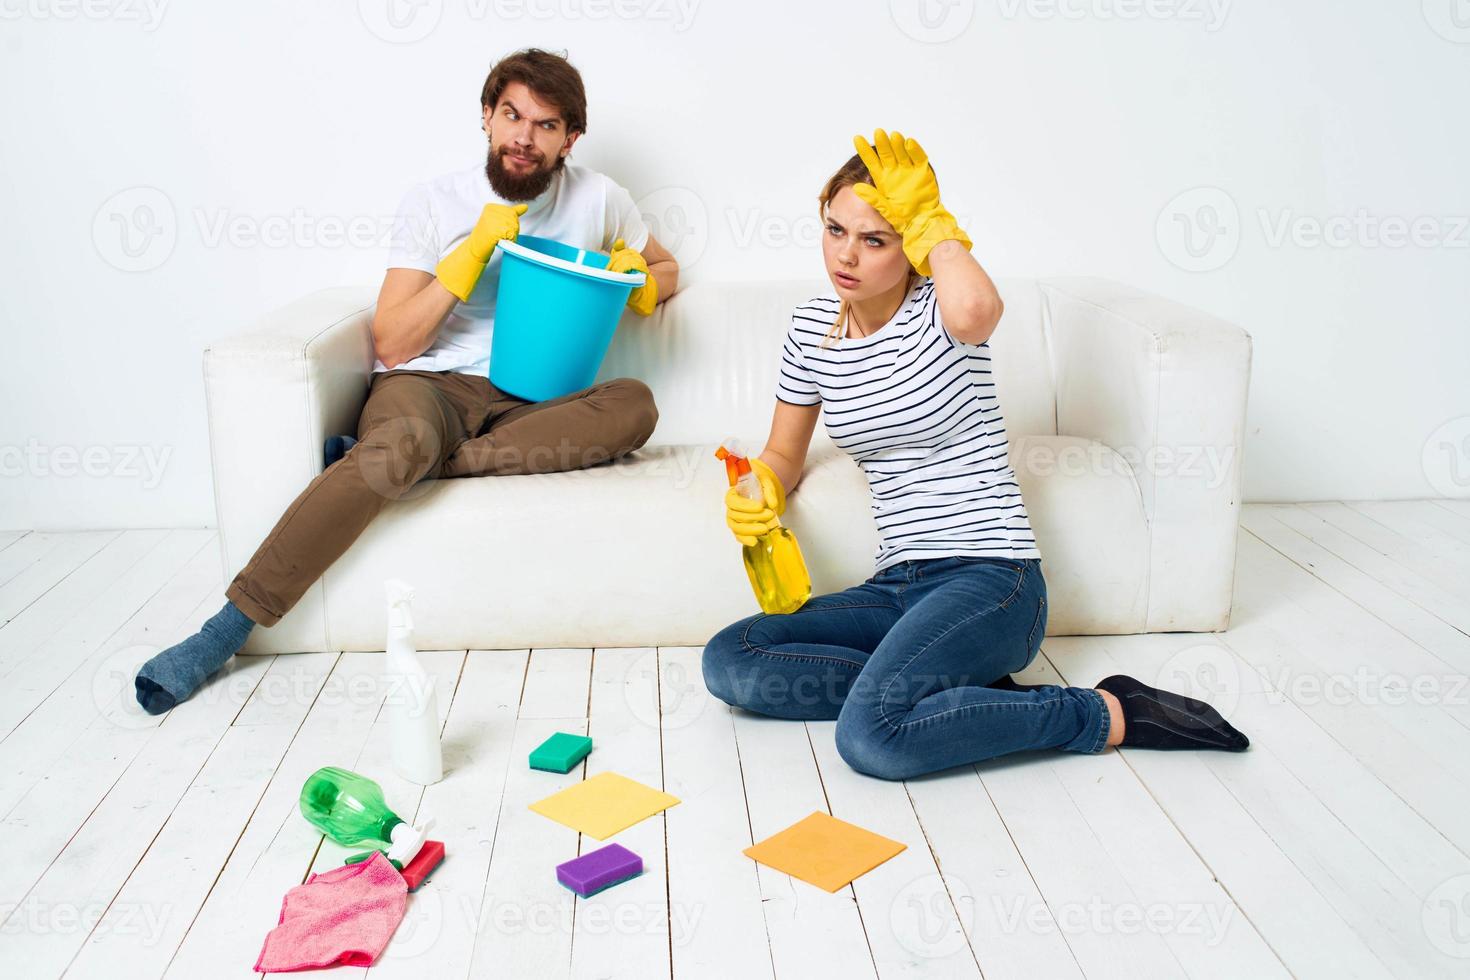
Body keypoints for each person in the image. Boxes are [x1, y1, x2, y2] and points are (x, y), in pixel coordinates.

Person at [135, 48, 678, 714]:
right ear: (486, 116)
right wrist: (471, 254)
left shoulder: (600, 199)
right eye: (512, 115)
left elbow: (666, 267)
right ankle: (225, 629)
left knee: (634, 404)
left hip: (535, 403)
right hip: (431, 388)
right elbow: (391, 339)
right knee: (403, 439)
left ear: (571, 138)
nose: (523, 137)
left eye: (545, 125)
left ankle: (408, 464)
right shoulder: (436, 201)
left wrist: (641, 278)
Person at [701, 129, 1247, 780]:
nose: (846, 255)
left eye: (875, 239)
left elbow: (980, 309)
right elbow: (782, 454)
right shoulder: (811, 330)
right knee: (733, 656)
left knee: (872, 739)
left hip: (991, 581)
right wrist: (759, 487)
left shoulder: (941, 311)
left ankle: (1105, 711)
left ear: (913, 249)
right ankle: (951, 698)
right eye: (835, 229)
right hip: (897, 586)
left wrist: (934, 226)